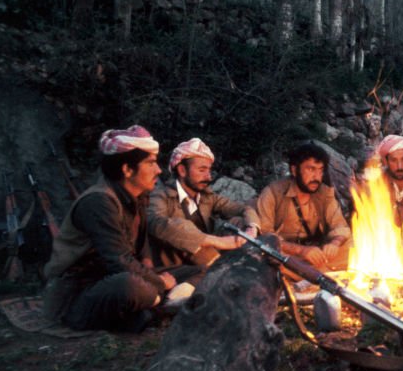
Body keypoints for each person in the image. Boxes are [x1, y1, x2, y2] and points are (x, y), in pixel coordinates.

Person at [41, 125, 174, 332]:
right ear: (127, 170)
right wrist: (159, 282)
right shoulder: (98, 202)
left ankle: (149, 307)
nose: (158, 170)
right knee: (128, 286)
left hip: (116, 277)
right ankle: (156, 305)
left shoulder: (138, 195)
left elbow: (142, 242)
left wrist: (148, 266)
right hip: (80, 293)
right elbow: (119, 261)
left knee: (198, 272)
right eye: (151, 163)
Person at [147, 138, 260, 274]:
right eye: (202, 170)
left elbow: (243, 209)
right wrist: (216, 241)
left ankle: (236, 268)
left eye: (209, 171)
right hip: (175, 267)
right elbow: (156, 223)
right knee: (184, 231)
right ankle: (224, 271)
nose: (208, 177)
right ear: (182, 170)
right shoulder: (160, 195)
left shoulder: (207, 196)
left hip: (206, 258)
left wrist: (252, 229)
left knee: (239, 222)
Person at [256, 141, 351, 271]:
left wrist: (334, 243)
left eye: (320, 170)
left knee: (353, 246)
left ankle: (318, 272)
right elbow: (265, 237)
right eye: (311, 169)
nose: (317, 177)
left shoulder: (324, 192)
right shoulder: (273, 193)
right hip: (286, 254)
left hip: (317, 253)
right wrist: (301, 250)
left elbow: (339, 225)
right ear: (294, 170)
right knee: (270, 260)